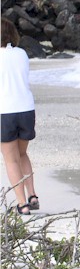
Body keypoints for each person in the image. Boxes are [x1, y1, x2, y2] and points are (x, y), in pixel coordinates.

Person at [0, 18, 39, 215]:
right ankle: (33, 195)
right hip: (26, 109)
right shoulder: (22, 54)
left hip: (4, 111)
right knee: (22, 154)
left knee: (11, 160)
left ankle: (22, 204)